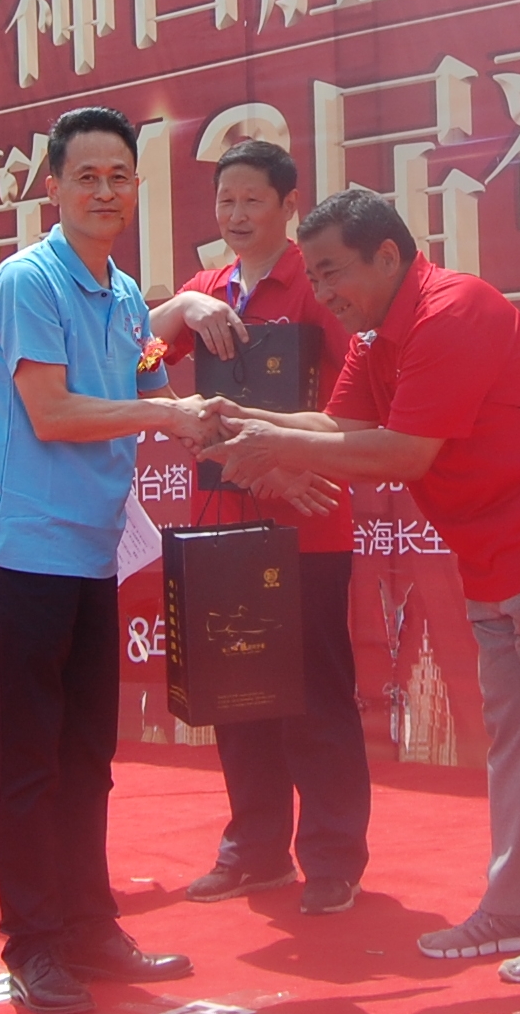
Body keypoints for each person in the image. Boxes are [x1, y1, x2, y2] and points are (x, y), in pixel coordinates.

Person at [204, 189, 520, 986]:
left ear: (387, 255)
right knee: (516, 734)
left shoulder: (452, 311)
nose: (324, 291)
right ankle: (519, 905)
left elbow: (404, 453)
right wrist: (247, 419)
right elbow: (341, 428)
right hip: (494, 552)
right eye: (315, 275)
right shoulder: (377, 335)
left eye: (332, 271)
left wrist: (274, 443)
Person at [0, 107, 204, 1013]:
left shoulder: (126, 295)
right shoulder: (28, 281)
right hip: (19, 552)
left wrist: (232, 426)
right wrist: (165, 414)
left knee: (87, 752)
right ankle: (33, 944)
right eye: (87, 176)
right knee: (30, 758)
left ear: (137, 187)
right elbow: (54, 412)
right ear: (54, 187)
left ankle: (91, 925)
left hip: (92, 554)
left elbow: (152, 386)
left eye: (119, 176)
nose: (104, 191)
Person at [148, 140, 370, 916]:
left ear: (287, 205)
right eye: (225, 201)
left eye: (252, 200)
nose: (236, 214)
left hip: (306, 520)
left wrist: (282, 462)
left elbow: (357, 400)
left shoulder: (314, 284)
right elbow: (137, 365)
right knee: (235, 694)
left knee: (315, 697)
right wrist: (180, 309)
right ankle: (255, 849)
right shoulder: (207, 290)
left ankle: (333, 856)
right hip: (221, 524)